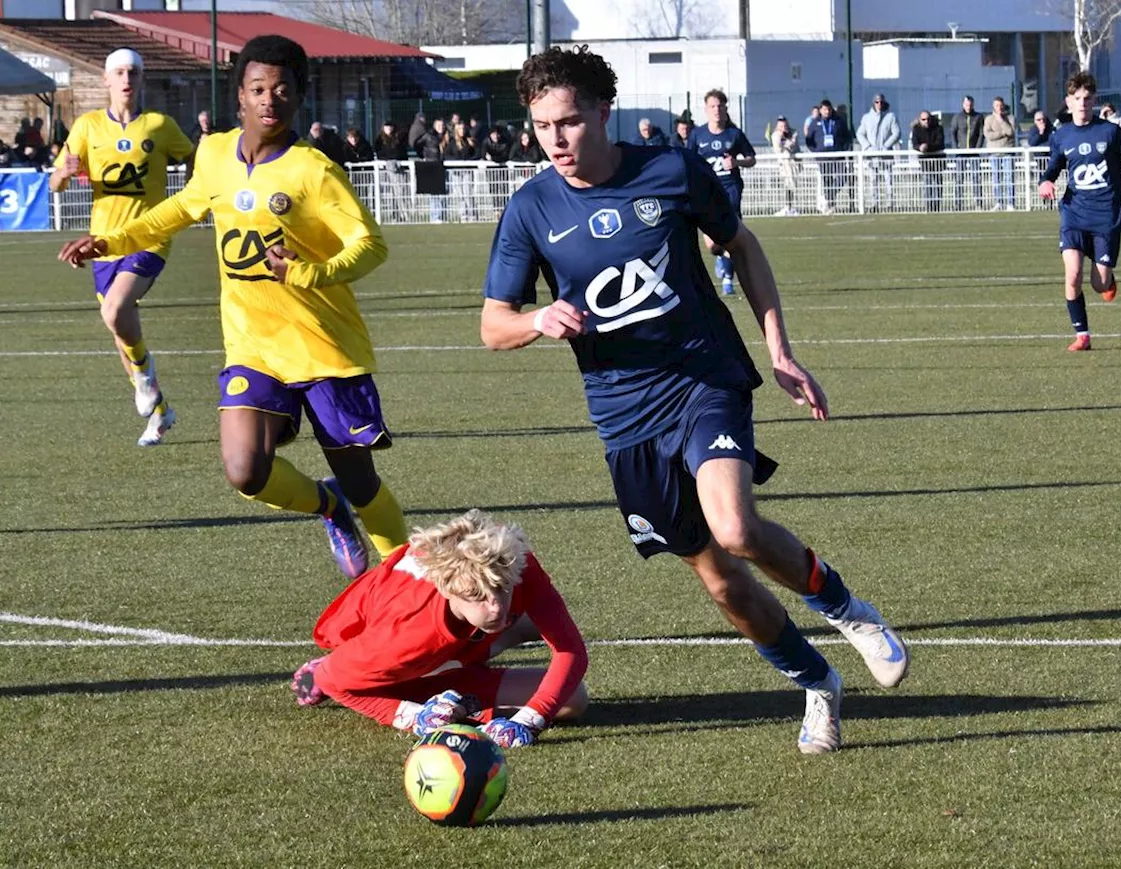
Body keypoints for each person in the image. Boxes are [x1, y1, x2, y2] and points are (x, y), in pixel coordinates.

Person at [479, 46, 909, 755]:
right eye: (542, 126)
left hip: (702, 378)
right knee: (722, 583)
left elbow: (741, 245)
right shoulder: (530, 209)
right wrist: (536, 320)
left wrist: (779, 350)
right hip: (623, 419)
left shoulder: (672, 171)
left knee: (735, 527)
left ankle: (847, 609)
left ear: (603, 112)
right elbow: (493, 322)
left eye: (569, 122)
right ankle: (817, 683)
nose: (556, 139)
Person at [56, 35, 409, 580]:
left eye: (283, 90)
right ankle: (329, 508)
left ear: (300, 98)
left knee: (362, 481)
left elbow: (370, 244)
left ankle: (412, 589)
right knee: (245, 470)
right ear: (239, 96)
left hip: (324, 346)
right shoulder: (216, 153)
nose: (270, 100)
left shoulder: (313, 170)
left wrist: (312, 272)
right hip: (252, 343)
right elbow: (178, 209)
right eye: (258, 89)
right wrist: (111, 241)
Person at [290, 509, 589, 748]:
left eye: (501, 589)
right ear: (446, 588)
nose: (496, 604)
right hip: (386, 656)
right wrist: (415, 716)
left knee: (540, 645)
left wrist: (528, 721)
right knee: (572, 699)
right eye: (477, 596)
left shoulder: (511, 561)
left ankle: (461, 669)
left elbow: (571, 649)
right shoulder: (406, 633)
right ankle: (442, 688)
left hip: (452, 636)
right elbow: (330, 679)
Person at [49, 48, 194, 447]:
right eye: (119, 72)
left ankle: (145, 377)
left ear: (142, 80)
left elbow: (194, 160)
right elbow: (56, 183)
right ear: (107, 81)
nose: (127, 78)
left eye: (133, 72)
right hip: (103, 242)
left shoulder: (160, 125)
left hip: (150, 237)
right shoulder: (87, 126)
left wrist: (190, 201)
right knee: (119, 331)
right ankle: (161, 412)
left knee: (116, 309)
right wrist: (63, 172)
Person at [1038, 72, 1121, 352]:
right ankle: (1082, 335)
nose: (1083, 103)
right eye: (1077, 99)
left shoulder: (1109, 132)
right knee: (1072, 274)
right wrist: (1045, 181)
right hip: (1074, 212)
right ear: (1069, 102)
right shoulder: (1062, 136)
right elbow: (1053, 166)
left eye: (1087, 98)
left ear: (1094, 100)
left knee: (1099, 284)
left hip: (1106, 216)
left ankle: (1107, 277)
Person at [690, 88, 756, 296]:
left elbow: (751, 158)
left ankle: (728, 279)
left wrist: (736, 161)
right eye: (712, 106)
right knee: (712, 244)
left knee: (730, 234)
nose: (716, 110)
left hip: (730, 189)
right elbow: (688, 161)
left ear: (726, 108)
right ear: (706, 109)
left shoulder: (734, 134)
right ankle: (721, 258)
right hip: (707, 190)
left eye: (720, 106)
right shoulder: (697, 135)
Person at [805, 99, 851, 214]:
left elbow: (847, 136)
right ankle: (830, 205)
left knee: (843, 176)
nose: (827, 111)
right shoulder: (815, 123)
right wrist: (815, 151)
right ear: (820, 110)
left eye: (829, 109)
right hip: (823, 157)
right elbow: (809, 139)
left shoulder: (838, 121)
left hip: (837, 155)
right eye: (824, 109)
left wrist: (843, 148)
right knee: (827, 180)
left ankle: (827, 197)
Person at [855, 93, 900, 211]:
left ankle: (890, 204)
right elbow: (860, 133)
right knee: (873, 180)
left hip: (886, 154)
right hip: (872, 154)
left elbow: (896, 133)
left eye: (881, 102)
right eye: (877, 102)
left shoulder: (890, 116)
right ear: (873, 103)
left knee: (888, 179)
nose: (879, 104)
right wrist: (867, 146)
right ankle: (874, 204)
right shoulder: (866, 118)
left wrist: (886, 146)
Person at [949, 95, 985, 210]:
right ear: (963, 105)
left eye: (970, 104)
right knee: (959, 178)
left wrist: (978, 147)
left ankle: (978, 202)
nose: (968, 107)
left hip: (974, 152)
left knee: (976, 177)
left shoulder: (978, 117)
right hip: (961, 152)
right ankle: (958, 203)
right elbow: (953, 133)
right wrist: (956, 148)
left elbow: (981, 134)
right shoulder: (957, 117)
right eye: (966, 104)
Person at [984, 96, 1017, 210]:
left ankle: (1010, 203)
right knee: (996, 178)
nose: (999, 107)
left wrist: (1001, 121)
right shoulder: (988, 119)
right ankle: (999, 202)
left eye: (1000, 105)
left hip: (1008, 151)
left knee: (1009, 178)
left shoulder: (1010, 118)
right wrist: (1002, 133)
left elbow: (1010, 131)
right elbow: (989, 135)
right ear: (993, 106)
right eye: (996, 105)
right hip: (994, 152)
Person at [910, 110, 946, 213]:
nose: (926, 121)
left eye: (928, 119)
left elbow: (940, 142)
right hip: (925, 161)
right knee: (928, 184)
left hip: (937, 160)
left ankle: (937, 207)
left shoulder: (938, 127)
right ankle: (929, 207)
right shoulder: (916, 129)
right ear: (920, 120)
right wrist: (920, 148)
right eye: (923, 119)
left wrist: (927, 147)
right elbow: (915, 143)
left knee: (938, 184)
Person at [442, 120, 477, 222]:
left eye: (463, 128)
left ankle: (472, 214)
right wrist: (457, 161)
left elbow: (476, 153)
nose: (462, 130)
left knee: (468, 193)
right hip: (456, 172)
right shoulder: (452, 143)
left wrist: (469, 161)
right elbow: (446, 155)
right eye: (460, 129)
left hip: (467, 171)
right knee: (460, 194)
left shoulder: (469, 141)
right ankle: (463, 215)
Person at [770, 115, 799, 216]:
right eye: (781, 125)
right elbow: (778, 148)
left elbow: (792, 145)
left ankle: (791, 207)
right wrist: (781, 136)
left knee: (792, 184)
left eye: (785, 124)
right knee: (787, 184)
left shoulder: (793, 132)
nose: (784, 127)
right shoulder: (775, 135)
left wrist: (787, 139)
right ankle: (787, 206)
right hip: (783, 164)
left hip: (793, 163)